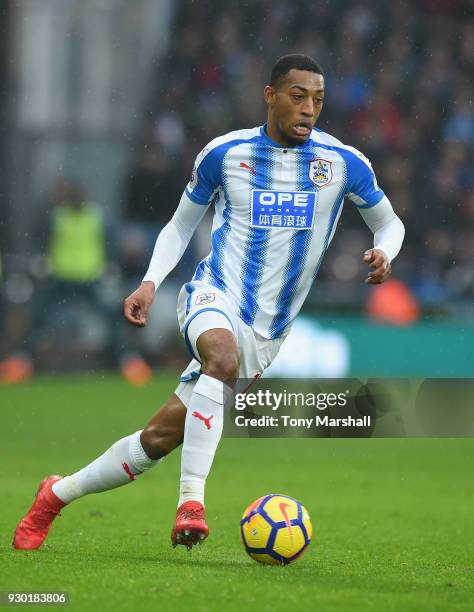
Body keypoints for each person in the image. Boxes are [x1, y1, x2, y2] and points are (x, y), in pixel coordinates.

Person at [13, 54, 404, 551]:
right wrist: (151, 282)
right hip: (214, 294)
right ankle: (191, 503)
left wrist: (385, 253)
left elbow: (390, 222)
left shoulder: (341, 163)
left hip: (268, 331)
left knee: (156, 440)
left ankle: (55, 494)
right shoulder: (226, 154)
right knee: (221, 356)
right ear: (270, 95)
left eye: (318, 100)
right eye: (298, 96)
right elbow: (181, 225)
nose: (309, 109)